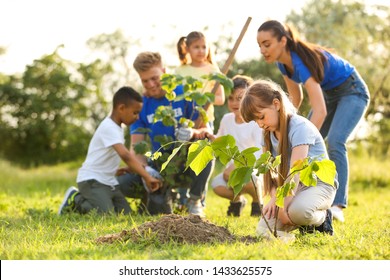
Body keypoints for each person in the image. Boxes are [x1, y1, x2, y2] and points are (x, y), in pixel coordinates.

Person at [256, 20, 370, 222]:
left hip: (352, 90)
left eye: (267, 44)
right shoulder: (282, 63)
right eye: (260, 46)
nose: (263, 50)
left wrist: (299, 139)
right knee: (303, 143)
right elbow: (293, 101)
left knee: (335, 141)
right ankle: (306, 195)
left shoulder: (300, 60)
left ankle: (337, 205)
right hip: (330, 95)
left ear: (283, 41)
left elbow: (319, 111)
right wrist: (286, 130)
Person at [117, 51, 213, 217]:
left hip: (184, 163)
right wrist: (146, 171)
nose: (151, 84)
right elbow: (137, 147)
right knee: (124, 183)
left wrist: (193, 132)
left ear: (164, 71)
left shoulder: (186, 93)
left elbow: (207, 132)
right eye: (145, 81)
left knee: (204, 148)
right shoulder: (141, 105)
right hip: (160, 165)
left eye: (155, 78)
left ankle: (195, 200)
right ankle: (158, 196)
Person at [240, 79, 338, 237]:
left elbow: (296, 171)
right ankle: (298, 229)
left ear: (276, 104)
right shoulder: (267, 134)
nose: (259, 124)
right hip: (290, 189)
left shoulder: (299, 127)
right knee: (263, 232)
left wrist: (282, 206)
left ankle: (323, 218)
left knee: (297, 212)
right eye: (255, 120)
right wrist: (275, 201)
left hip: (318, 184)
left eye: (261, 117)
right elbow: (270, 176)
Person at [58, 86, 162, 215]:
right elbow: (126, 155)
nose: (137, 117)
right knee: (106, 215)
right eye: (135, 113)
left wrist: (118, 170)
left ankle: (99, 202)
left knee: (126, 215)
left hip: (108, 182)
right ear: (121, 108)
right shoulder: (109, 127)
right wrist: (146, 176)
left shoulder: (117, 128)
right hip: (92, 181)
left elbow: (108, 156)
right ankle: (75, 200)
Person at [175, 31, 225, 207]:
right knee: (183, 158)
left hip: (205, 122)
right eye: (196, 47)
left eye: (204, 46)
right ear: (187, 48)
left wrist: (207, 99)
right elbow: (175, 97)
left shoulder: (212, 70)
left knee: (202, 157)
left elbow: (221, 99)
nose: (201, 50)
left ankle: (197, 200)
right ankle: (181, 197)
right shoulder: (181, 70)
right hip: (186, 121)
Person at [207, 75, 264, 217]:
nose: (234, 103)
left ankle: (258, 201)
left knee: (251, 180)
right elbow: (220, 139)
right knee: (217, 185)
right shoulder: (227, 119)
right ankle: (237, 201)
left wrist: (237, 166)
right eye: (231, 98)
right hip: (232, 170)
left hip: (252, 168)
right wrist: (208, 136)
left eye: (240, 98)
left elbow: (258, 152)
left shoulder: (255, 122)